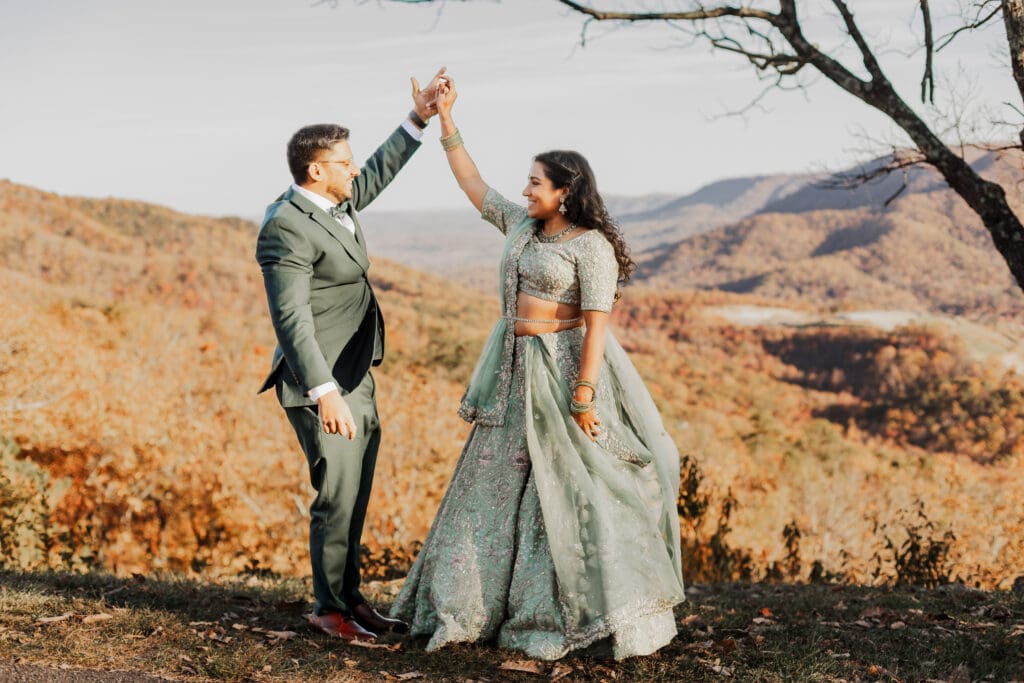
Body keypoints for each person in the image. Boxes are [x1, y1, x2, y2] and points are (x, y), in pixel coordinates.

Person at [391, 77, 685, 660]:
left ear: (565, 191)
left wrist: (583, 396)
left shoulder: (590, 246)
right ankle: (465, 606)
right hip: (511, 371)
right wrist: (446, 120)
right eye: (525, 181)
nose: (525, 189)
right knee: (490, 485)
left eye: (535, 182)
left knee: (570, 484)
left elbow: (597, 326)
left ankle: (574, 612)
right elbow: (474, 186)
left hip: (564, 372)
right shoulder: (522, 226)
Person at [256, 68, 447, 642]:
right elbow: (290, 319)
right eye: (345, 162)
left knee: (357, 492)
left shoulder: (335, 202)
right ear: (317, 170)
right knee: (335, 497)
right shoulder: (285, 227)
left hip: (356, 373)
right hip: (321, 385)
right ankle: (328, 610)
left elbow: (381, 170)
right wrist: (325, 392)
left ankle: (350, 598)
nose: (355, 168)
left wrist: (419, 118)